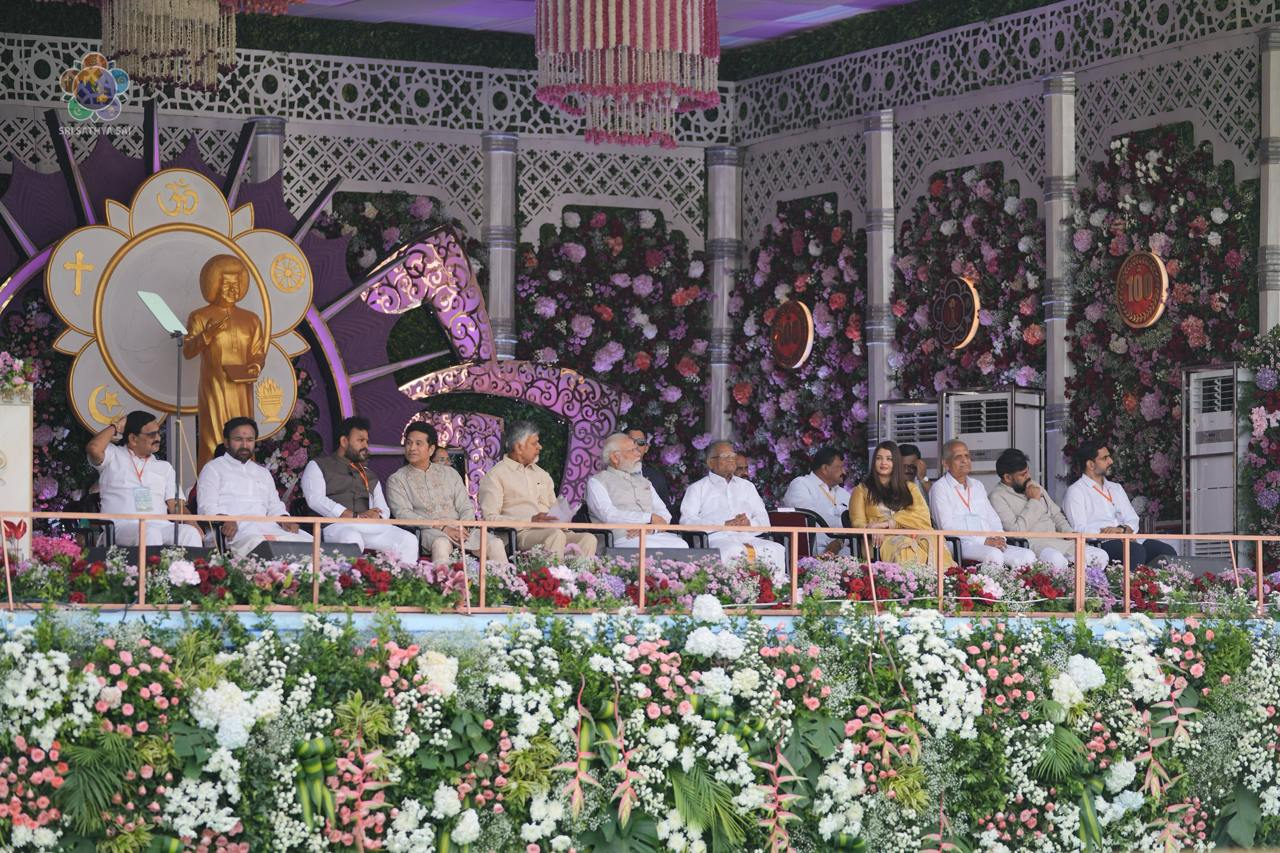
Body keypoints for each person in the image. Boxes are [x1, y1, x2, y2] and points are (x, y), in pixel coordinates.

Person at [182, 254, 268, 470]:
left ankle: (247, 480)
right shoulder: (200, 316)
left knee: (244, 434)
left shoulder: (252, 319)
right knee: (214, 437)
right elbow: (188, 351)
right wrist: (207, 335)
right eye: (227, 284)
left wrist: (255, 366)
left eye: (237, 284)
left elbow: (258, 352)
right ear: (214, 284)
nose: (233, 289)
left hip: (241, 388)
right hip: (215, 387)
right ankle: (208, 484)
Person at [386, 422, 508, 566]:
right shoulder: (396, 479)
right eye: (408, 443)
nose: (412, 448)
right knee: (441, 544)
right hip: (430, 530)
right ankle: (445, 586)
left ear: (431, 449)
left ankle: (505, 585)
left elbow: (465, 506)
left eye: (418, 444)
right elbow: (403, 514)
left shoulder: (450, 473)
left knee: (495, 543)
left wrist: (464, 527)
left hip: (461, 528)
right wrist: (442, 527)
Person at [301, 416, 419, 564]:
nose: (365, 445)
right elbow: (316, 500)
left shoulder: (368, 473)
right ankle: (351, 585)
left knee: (408, 540)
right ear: (344, 441)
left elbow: (383, 508)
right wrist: (353, 515)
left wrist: (378, 517)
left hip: (369, 527)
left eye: (366, 441)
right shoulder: (318, 465)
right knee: (352, 539)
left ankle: (400, 585)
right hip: (337, 527)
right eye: (360, 440)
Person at [478, 421, 598, 559]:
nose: (540, 447)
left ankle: (578, 580)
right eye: (535, 443)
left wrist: (562, 518)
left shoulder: (543, 475)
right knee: (555, 536)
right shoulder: (495, 475)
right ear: (519, 447)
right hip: (520, 533)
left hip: (552, 530)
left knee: (588, 539)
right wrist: (529, 520)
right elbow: (490, 518)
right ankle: (551, 580)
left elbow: (554, 508)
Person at [86, 410, 202, 548]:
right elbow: (93, 448)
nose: (158, 438)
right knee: (149, 532)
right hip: (122, 526)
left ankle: (185, 570)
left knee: (189, 533)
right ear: (133, 439)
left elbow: (176, 506)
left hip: (161, 525)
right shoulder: (113, 455)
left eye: (158, 432)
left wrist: (192, 524)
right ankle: (151, 570)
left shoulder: (165, 467)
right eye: (152, 434)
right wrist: (116, 427)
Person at [196, 417, 311, 555]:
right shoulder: (213, 468)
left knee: (310, 543)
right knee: (261, 545)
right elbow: (206, 506)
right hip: (232, 531)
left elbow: (274, 505)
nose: (245, 445)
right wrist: (225, 520)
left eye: (250, 440)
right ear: (226, 442)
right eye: (238, 439)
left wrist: (285, 520)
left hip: (268, 527)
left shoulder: (262, 472)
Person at [681, 440, 786, 580]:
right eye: (725, 456)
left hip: (749, 536)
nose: (731, 460)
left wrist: (749, 524)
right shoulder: (697, 488)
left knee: (776, 549)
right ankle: (730, 596)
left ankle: (773, 595)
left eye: (733, 456)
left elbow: (764, 520)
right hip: (716, 539)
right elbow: (686, 521)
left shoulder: (747, 487)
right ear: (710, 463)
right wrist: (722, 524)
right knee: (733, 550)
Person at [1063, 440, 1178, 567]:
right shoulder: (1076, 491)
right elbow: (1078, 529)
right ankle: (1132, 586)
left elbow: (1133, 518)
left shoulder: (1116, 488)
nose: (1111, 461)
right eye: (1105, 458)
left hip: (1128, 538)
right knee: (1135, 551)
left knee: (1166, 552)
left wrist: (1123, 529)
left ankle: (1157, 586)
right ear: (1090, 464)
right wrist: (1106, 532)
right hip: (1102, 543)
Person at [990, 448, 1108, 571]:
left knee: (1100, 556)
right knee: (1056, 560)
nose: (1028, 476)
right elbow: (1016, 531)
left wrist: (1069, 532)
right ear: (1008, 477)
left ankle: (1088, 588)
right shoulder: (997, 497)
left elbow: (1056, 514)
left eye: (1027, 472)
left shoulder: (1034, 485)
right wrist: (1034, 501)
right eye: (1022, 474)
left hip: (1059, 540)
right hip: (1035, 544)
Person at [929, 439, 1037, 568]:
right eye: (958, 457)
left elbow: (992, 517)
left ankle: (1017, 588)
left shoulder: (977, 485)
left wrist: (999, 536)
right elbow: (946, 527)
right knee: (994, 555)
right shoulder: (940, 488)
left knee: (1027, 556)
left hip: (989, 541)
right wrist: (983, 540)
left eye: (967, 456)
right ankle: (992, 588)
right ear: (945, 463)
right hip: (961, 543)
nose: (965, 460)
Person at [849, 441, 954, 568]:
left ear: (896, 463)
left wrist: (888, 524)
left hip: (910, 533)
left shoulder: (910, 488)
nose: (883, 463)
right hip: (879, 540)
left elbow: (921, 515)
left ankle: (939, 585)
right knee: (906, 547)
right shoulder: (862, 490)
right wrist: (872, 529)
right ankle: (910, 586)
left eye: (889, 459)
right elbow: (857, 522)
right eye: (879, 458)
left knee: (933, 541)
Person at [587, 433, 686, 549]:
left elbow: (664, 514)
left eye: (637, 449)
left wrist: (651, 529)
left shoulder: (645, 482)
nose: (638, 454)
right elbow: (608, 515)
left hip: (651, 535)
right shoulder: (597, 481)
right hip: (623, 537)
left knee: (682, 544)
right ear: (615, 457)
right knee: (650, 547)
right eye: (632, 450)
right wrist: (648, 518)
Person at [781, 446, 851, 556]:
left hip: (843, 552)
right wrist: (842, 523)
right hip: (811, 552)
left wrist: (839, 542)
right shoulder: (802, 484)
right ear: (825, 469)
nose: (844, 471)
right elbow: (808, 516)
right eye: (840, 467)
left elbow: (854, 524)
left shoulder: (844, 494)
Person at [624, 427, 675, 514]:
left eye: (640, 442)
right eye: (631, 441)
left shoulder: (656, 478)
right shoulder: (609, 477)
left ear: (646, 448)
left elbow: (667, 514)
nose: (635, 446)